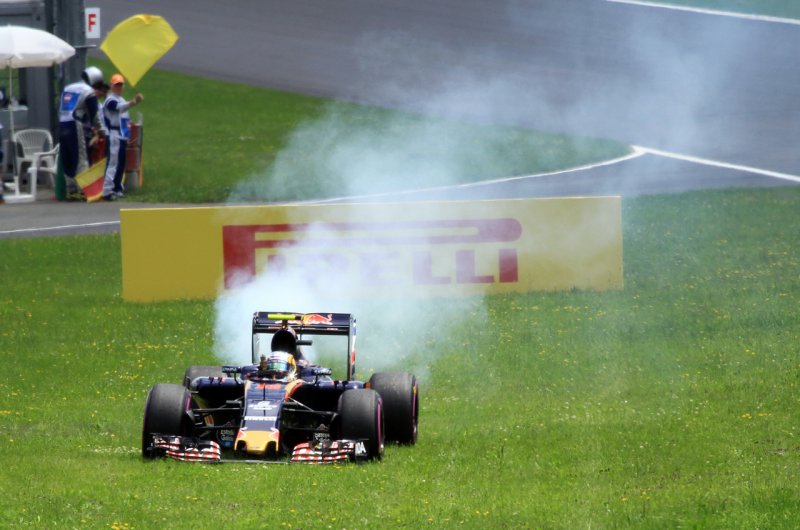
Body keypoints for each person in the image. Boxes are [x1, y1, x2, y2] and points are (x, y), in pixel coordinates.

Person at [59, 66, 107, 200]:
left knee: (68, 158)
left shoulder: (68, 88)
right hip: (75, 124)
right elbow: (94, 115)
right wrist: (102, 131)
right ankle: (83, 189)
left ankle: (71, 190)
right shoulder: (88, 91)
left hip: (62, 124)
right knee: (81, 157)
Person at [101, 73, 143, 201]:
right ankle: (107, 190)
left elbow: (124, 119)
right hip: (113, 135)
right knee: (113, 163)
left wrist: (128, 134)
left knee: (121, 164)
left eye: (120, 85)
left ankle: (117, 188)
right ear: (111, 86)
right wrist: (134, 102)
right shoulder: (110, 100)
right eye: (116, 85)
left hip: (122, 136)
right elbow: (118, 108)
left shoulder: (122, 99)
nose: (118, 87)